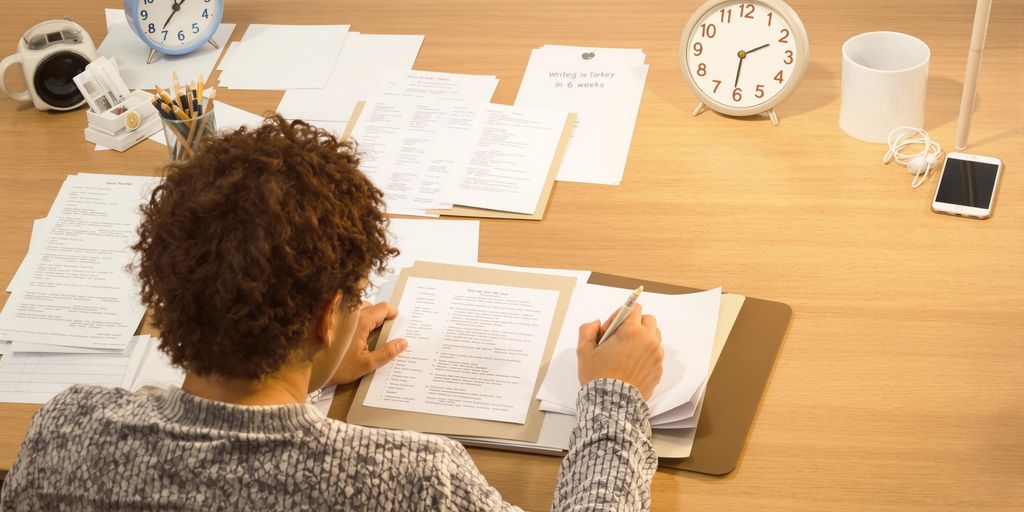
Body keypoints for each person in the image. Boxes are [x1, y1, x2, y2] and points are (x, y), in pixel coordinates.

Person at [0, 116, 664, 511]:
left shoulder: (65, 432)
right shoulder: (413, 483)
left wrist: (310, 377)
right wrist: (616, 396)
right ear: (328, 318)